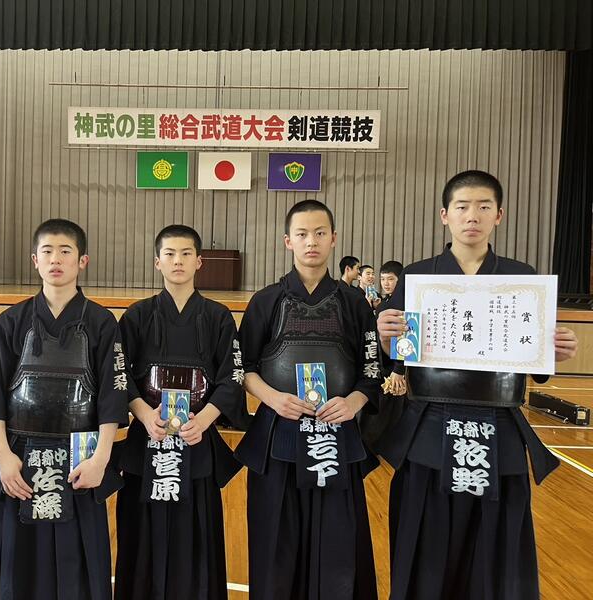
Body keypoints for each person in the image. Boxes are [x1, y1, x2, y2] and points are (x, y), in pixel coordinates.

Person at [376, 170, 578, 600]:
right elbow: (397, 357)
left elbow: (534, 365)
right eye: (463, 207)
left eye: (484, 207)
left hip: (498, 426)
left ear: (499, 215)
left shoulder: (522, 278)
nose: (473, 216)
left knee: (495, 548)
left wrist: (554, 348)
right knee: (425, 542)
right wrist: (386, 336)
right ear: (444, 215)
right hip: (429, 425)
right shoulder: (417, 277)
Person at [0, 218, 127, 600]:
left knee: (80, 560)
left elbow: (111, 398)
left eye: (65, 251)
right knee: (16, 560)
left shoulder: (102, 322)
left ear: (82, 261)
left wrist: (100, 459)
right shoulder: (11, 321)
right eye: (47, 251)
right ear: (35, 260)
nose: (56, 259)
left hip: (80, 459)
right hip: (20, 456)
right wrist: (3, 457)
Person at [234, 199, 382, 600]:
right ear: (288, 241)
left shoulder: (354, 303)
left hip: (336, 436)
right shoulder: (266, 301)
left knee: (338, 546)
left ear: (333, 238)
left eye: (319, 233)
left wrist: (353, 403)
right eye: (302, 234)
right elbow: (243, 368)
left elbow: (371, 369)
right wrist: (272, 399)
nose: (311, 242)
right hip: (277, 434)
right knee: (275, 545)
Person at [114, 225, 249, 600]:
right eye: (170, 254)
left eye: (186, 253)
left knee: (197, 535)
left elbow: (233, 376)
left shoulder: (218, 317)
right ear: (157, 262)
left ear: (199, 261)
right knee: (140, 534)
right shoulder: (137, 316)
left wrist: (203, 420)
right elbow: (119, 375)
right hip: (148, 439)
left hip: (196, 440)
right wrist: (144, 415)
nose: (178, 261)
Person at [359, 260, 406, 452]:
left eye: (391, 279)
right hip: (380, 365)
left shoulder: (405, 303)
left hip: (395, 369)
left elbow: (407, 340)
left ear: (400, 280)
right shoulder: (382, 303)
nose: (386, 283)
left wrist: (399, 369)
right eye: (383, 279)